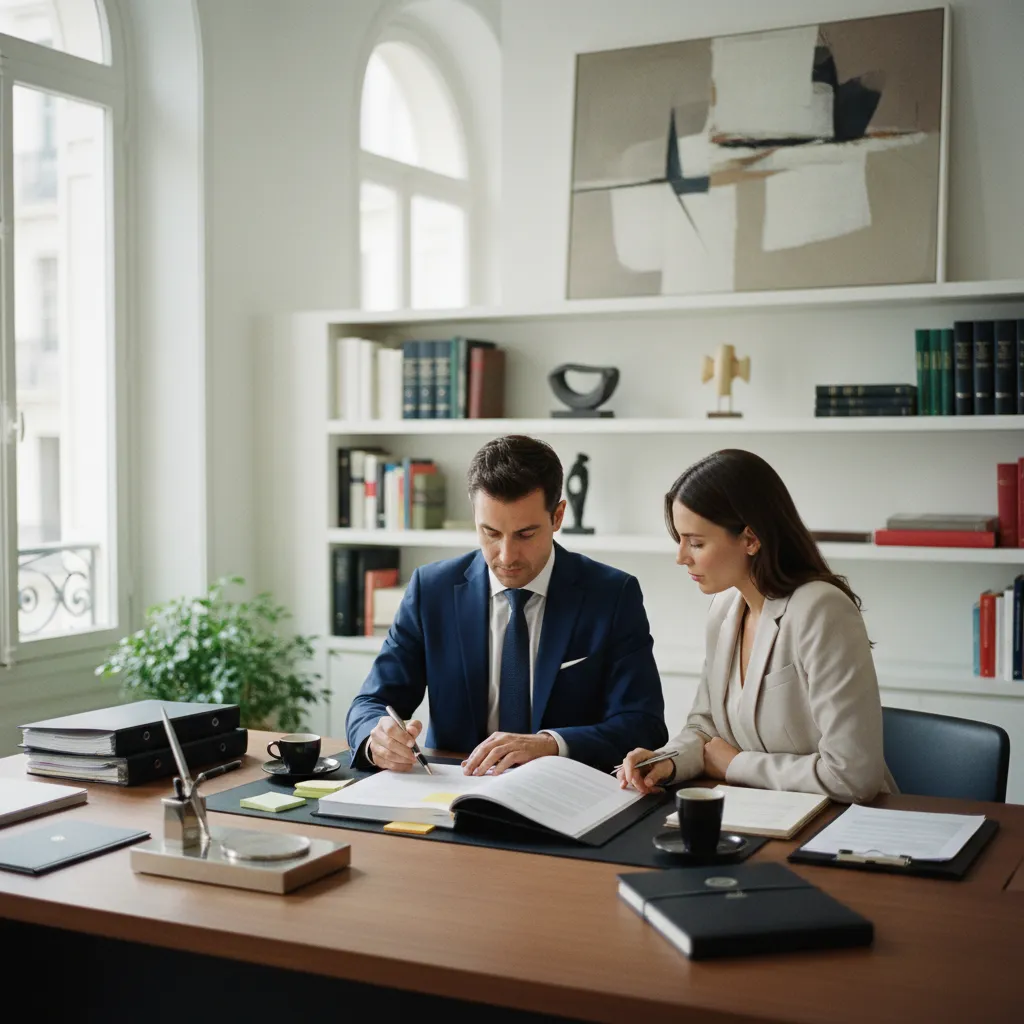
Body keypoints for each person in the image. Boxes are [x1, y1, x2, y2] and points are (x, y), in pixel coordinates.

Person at [346, 435, 668, 775]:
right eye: (490, 532)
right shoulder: (432, 590)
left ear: (557, 516)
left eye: (525, 534)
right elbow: (370, 703)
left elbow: (643, 723)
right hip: (455, 792)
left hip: (564, 795)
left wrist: (550, 744)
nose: (506, 556)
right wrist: (376, 737)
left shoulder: (613, 595)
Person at [618, 449, 895, 803]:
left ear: (750, 539)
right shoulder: (725, 609)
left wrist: (736, 765)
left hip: (841, 823)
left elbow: (853, 776)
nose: (681, 556)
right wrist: (665, 761)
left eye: (696, 542)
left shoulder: (821, 610)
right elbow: (705, 727)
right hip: (760, 813)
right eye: (681, 540)